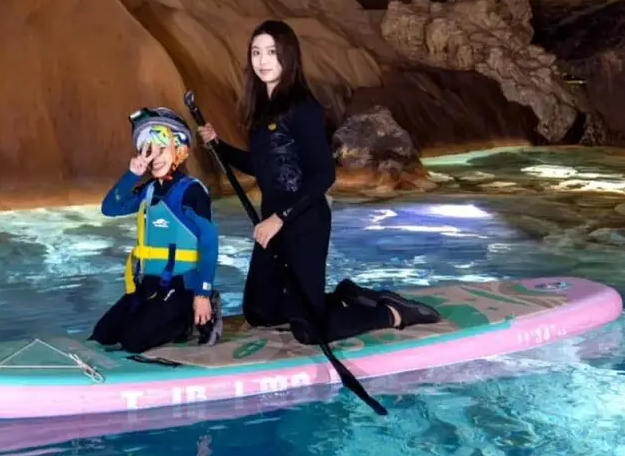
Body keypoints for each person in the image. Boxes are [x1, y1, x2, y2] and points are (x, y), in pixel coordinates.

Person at [198, 19, 440, 346]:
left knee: (310, 331)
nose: (263, 60)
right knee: (259, 312)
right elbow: (263, 166)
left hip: (303, 224)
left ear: (288, 56)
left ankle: (391, 313)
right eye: (256, 52)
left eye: (272, 52)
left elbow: (324, 174)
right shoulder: (263, 110)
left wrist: (280, 218)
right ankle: (345, 296)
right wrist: (218, 145)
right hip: (273, 225)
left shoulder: (303, 108)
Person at [91, 107, 222, 353]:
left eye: (162, 149)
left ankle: (193, 319)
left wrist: (202, 293)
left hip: (182, 285)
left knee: (133, 341)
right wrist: (132, 175)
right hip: (150, 285)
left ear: (179, 150)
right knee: (103, 335)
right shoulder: (148, 190)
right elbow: (110, 208)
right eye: (149, 150)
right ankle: (163, 316)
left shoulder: (192, 191)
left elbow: (209, 243)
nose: (155, 158)